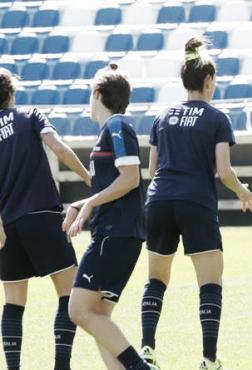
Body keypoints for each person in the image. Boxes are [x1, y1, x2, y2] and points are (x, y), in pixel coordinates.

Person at [138, 37, 252, 370]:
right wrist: (243, 191)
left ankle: (147, 349)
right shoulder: (217, 118)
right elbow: (224, 171)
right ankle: (208, 359)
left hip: (159, 199)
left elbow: (151, 170)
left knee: (156, 279)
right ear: (208, 82)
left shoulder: (162, 117)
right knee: (209, 283)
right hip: (195, 201)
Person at [63, 64, 156, 370]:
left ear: (97, 94)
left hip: (115, 234)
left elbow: (129, 178)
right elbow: (112, 186)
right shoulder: (111, 129)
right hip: (116, 233)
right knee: (99, 317)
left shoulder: (117, 126)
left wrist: (89, 203)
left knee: (79, 310)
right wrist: (83, 203)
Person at [0, 67, 90, 370]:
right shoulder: (31, 114)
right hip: (41, 214)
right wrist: (90, 179)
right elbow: (58, 146)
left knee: (13, 302)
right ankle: (61, 366)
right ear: (12, 93)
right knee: (69, 292)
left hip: (6, 225)